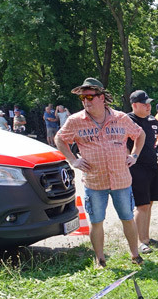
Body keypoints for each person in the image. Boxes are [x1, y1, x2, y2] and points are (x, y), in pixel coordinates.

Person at [55, 77, 145, 268]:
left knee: (128, 218)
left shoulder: (121, 118)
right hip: (94, 182)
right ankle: (100, 259)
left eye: (90, 96)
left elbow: (140, 134)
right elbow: (60, 139)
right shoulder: (75, 121)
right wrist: (73, 160)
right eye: (83, 98)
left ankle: (135, 255)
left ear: (101, 97)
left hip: (121, 180)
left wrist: (135, 155)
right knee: (96, 221)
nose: (86, 101)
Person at [126, 90, 158, 253]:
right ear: (134, 105)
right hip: (137, 168)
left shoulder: (151, 119)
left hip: (152, 165)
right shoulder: (127, 120)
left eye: (149, 103)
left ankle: (146, 238)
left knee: (149, 204)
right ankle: (139, 242)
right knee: (141, 205)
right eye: (144, 104)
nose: (148, 107)